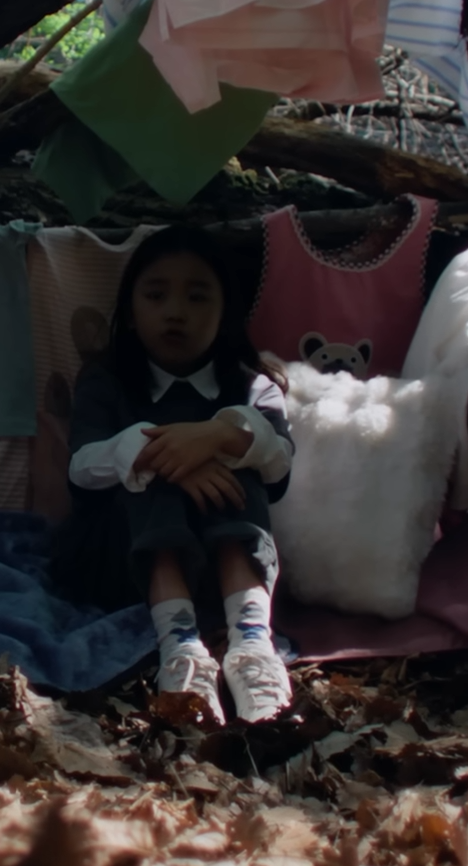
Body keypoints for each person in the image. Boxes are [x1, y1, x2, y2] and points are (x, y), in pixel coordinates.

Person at [59, 225, 296, 725]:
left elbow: (278, 463)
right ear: (130, 308)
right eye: (156, 295)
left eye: (197, 296)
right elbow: (80, 469)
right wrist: (158, 452)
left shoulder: (252, 386)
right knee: (147, 470)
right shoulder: (105, 381)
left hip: (217, 570)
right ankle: (181, 647)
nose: (175, 311)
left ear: (226, 312)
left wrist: (220, 435)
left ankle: (253, 644)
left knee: (240, 467)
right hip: (120, 566)